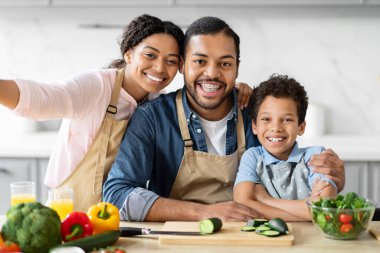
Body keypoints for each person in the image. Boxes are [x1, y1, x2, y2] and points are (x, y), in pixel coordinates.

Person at [103, 16, 345, 222]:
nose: (212, 73)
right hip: (178, 240)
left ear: (237, 68)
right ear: (182, 65)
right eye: (200, 61)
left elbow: (291, 176)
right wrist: (202, 213)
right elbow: (116, 195)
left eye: (225, 63)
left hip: (255, 238)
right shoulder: (153, 118)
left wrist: (330, 178)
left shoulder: (257, 115)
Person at [0, 14, 184, 212]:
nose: (159, 67)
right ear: (129, 54)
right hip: (69, 213)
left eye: (171, 61)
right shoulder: (97, 86)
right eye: (150, 55)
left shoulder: (159, 103)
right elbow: (44, 98)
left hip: (121, 220)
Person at [233, 74, 337, 221]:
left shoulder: (316, 157)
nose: (276, 128)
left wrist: (266, 200)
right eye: (266, 119)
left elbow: (324, 209)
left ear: (301, 127)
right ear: (255, 126)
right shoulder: (252, 157)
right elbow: (243, 205)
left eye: (287, 120)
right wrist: (308, 214)